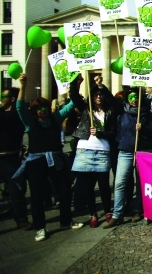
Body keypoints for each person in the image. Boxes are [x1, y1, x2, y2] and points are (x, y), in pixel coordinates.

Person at [15, 74, 83, 241]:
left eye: (44, 107)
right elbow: (19, 107)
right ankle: (40, 228)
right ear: (35, 111)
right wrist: (23, 86)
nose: (42, 111)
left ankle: (66, 221)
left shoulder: (55, 119)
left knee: (65, 191)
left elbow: (72, 104)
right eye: (39, 109)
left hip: (56, 161)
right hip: (36, 163)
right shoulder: (30, 122)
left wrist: (77, 85)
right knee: (37, 196)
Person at [104, 88, 152, 228]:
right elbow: (111, 100)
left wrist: (143, 128)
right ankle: (117, 214)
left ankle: (138, 210)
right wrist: (101, 87)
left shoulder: (146, 112)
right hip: (125, 150)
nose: (134, 100)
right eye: (131, 97)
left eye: (136, 97)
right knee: (119, 183)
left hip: (142, 151)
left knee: (141, 183)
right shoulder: (122, 111)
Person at [69, 74, 116, 228]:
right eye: (96, 94)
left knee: (104, 186)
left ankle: (107, 211)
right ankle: (93, 214)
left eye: (100, 94)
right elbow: (74, 96)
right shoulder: (86, 110)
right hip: (85, 151)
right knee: (87, 187)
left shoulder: (109, 112)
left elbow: (112, 133)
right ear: (92, 97)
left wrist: (100, 133)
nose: (98, 97)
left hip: (102, 152)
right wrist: (76, 80)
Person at [0, 87, 29, 229]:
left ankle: (21, 219)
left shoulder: (16, 114)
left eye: (3, 96)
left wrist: (23, 87)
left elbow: (15, 111)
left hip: (11, 158)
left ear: (12, 99)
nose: (1, 99)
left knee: (16, 190)